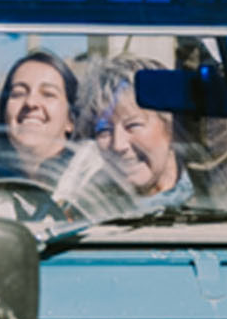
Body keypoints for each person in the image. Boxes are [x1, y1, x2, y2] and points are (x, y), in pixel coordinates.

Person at [82, 58, 192, 212]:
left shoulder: (211, 195)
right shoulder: (88, 207)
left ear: (171, 127)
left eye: (133, 125)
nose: (118, 145)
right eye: (104, 130)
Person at [0, 51, 79, 182]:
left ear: (70, 120)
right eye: (18, 93)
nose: (30, 102)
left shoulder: (90, 183)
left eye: (48, 94)